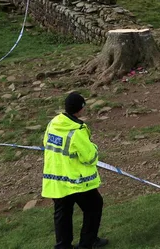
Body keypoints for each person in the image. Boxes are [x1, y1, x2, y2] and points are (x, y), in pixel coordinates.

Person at [42, 92, 108, 249]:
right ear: (81, 109)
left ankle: (63, 245)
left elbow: (46, 142)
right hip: (76, 180)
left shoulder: (54, 123)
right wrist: (94, 147)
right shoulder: (77, 131)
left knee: (62, 213)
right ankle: (87, 242)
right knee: (94, 206)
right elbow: (90, 157)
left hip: (56, 179)